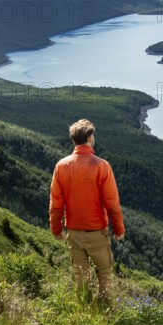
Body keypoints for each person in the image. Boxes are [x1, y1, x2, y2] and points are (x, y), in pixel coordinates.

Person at [49, 118, 125, 301]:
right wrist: (119, 229)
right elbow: (112, 203)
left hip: (73, 232)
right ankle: (104, 312)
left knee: (81, 276)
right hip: (96, 232)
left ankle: (83, 310)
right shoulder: (102, 166)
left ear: (74, 140)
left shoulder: (61, 165)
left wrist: (56, 229)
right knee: (105, 273)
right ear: (90, 138)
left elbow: (56, 203)